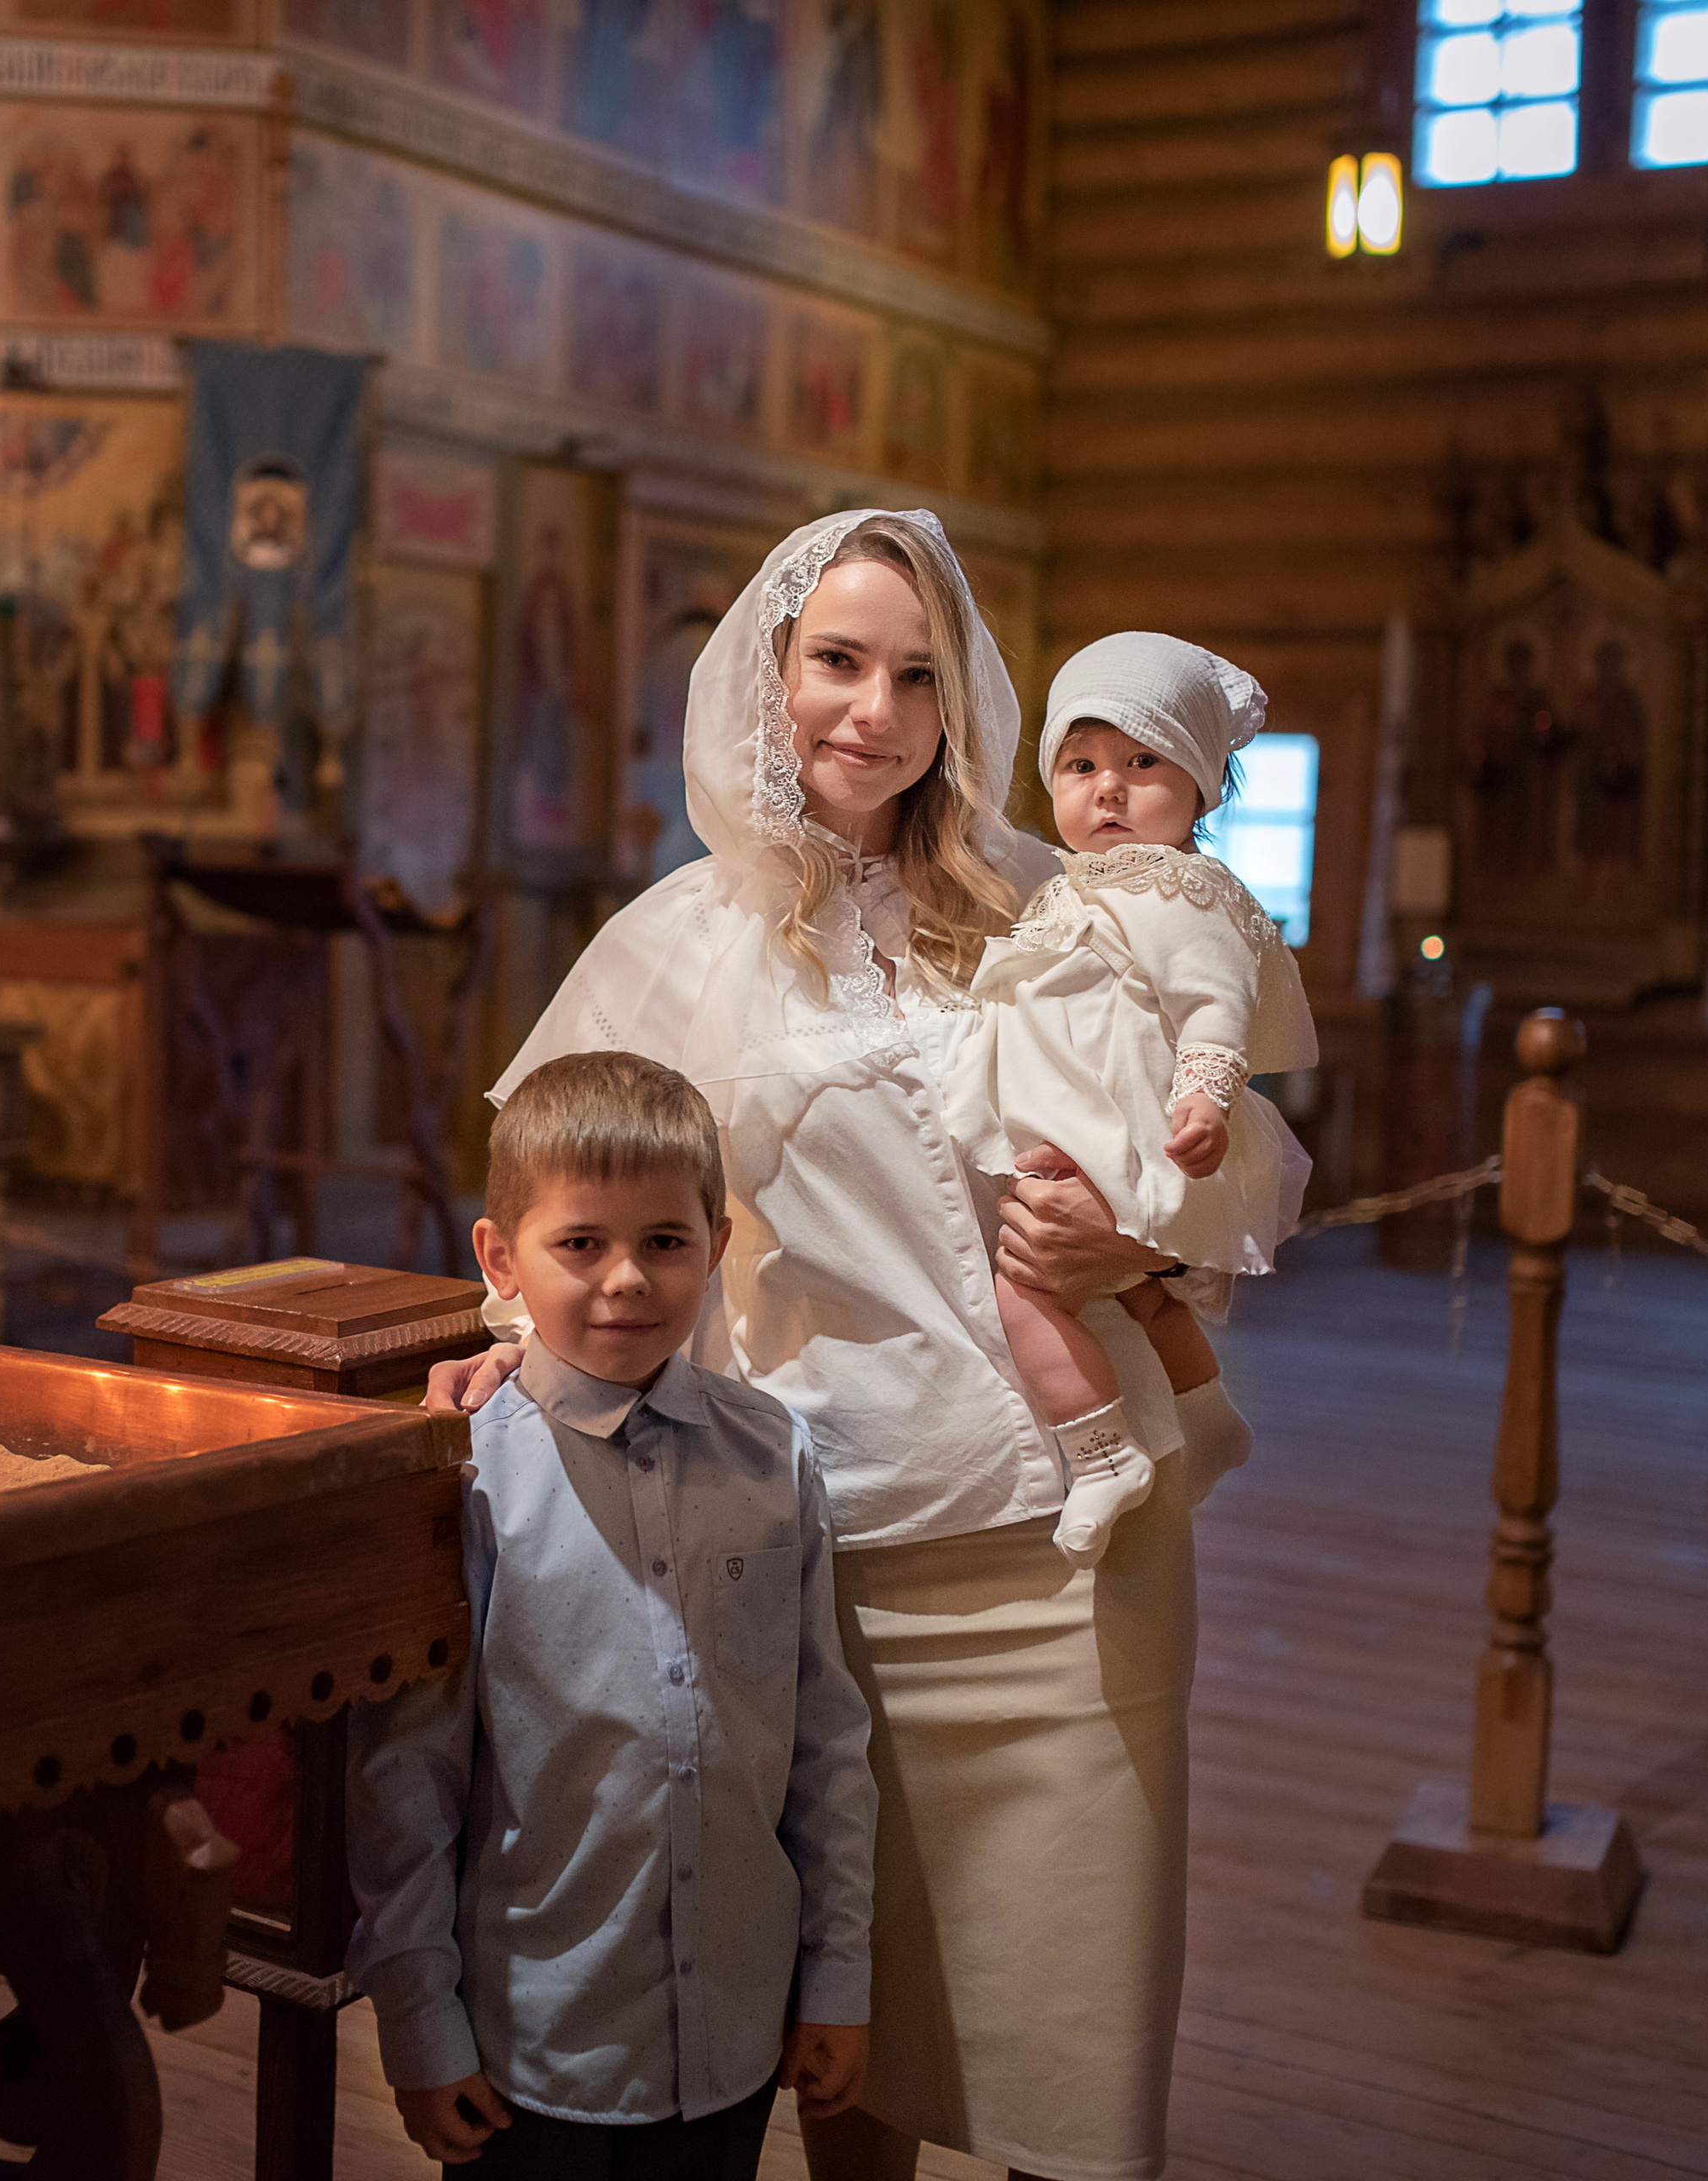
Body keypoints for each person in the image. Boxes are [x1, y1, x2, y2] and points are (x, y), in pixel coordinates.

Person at [429, 509, 1284, 2181]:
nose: (871, 710)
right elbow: (549, 1190)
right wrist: (501, 1345)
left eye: (915, 671)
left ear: (960, 695)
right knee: (844, 2034)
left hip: (1068, 1552)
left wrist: (1141, 1231)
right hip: (811, 1557)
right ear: (768, 672)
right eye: (837, 661)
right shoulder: (669, 942)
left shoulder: (1067, 902)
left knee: (1076, 2039)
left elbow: (1242, 1157)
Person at [348, 1050, 878, 2178]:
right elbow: (408, 1777)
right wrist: (420, 2022)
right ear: (502, 1257)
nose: (627, 1279)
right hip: (536, 2047)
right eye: (581, 1243)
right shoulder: (468, 1481)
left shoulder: (772, 1455)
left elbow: (826, 1743)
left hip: (735, 2032)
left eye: (666, 1242)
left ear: (716, 1251)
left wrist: (836, 1975)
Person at [942, 632, 1317, 1568]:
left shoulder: (1180, 888)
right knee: (1149, 1299)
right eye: (1080, 763)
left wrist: (1205, 1098)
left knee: (1023, 1288)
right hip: (1081, 1131)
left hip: (1125, 1134)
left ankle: (1099, 1450)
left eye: (1140, 761)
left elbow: (1212, 1006)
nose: (1106, 787)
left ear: (1201, 786)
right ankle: (1208, 1415)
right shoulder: (1072, 884)